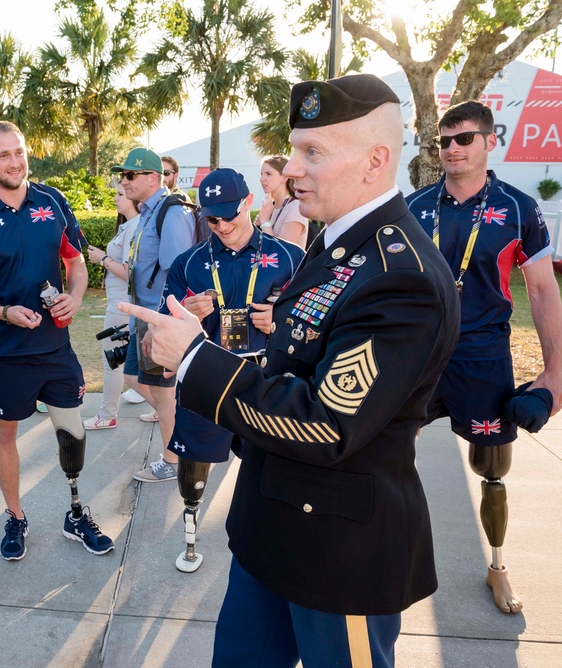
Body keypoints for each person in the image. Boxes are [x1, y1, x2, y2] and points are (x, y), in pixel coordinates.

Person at [121, 74, 460, 667]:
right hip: (271, 530)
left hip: (340, 554)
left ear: (376, 161)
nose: (293, 169)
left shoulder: (399, 273)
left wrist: (195, 356)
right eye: (294, 148)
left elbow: (325, 422)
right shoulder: (336, 248)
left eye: (313, 152)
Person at [406, 100, 561, 615]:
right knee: (383, 451)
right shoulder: (416, 205)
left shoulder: (518, 208)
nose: (451, 149)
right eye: (443, 141)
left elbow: (541, 291)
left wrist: (555, 373)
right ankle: (386, 554)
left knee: (492, 467)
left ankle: (496, 565)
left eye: (463, 139)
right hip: (419, 355)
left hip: (481, 355)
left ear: (489, 142)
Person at [0, 120, 114, 560]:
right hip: (4, 351)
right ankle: (16, 517)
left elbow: (76, 263)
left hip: (55, 347)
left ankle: (76, 513)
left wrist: (75, 298)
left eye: (19, 151)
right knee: (6, 435)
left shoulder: (52, 201)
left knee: (72, 433)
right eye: (3, 155)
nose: (14, 161)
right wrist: (2, 312)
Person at [160, 168, 303, 572]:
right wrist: (184, 313)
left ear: (248, 204)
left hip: (264, 378)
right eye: (212, 218)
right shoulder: (188, 263)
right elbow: (161, 327)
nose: (221, 225)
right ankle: (190, 531)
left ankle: (272, 537)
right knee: (194, 458)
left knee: (270, 466)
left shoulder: (290, 256)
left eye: (229, 215)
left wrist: (280, 320)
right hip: (207, 376)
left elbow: (315, 326)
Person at [110, 147, 197, 483]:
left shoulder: (170, 212)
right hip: (143, 317)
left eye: (130, 175)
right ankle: (181, 428)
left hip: (158, 319)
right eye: (123, 175)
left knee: (163, 393)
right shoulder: (148, 211)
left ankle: (173, 460)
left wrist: (159, 325)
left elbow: (177, 274)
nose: (124, 181)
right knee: (135, 377)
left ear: (151, 177)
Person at [83, 183, 140, 430]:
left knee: (113, 363)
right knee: (125, 363)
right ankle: (163, 409)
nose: (115, 198)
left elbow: (130, 273)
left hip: (122, 306)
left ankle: (107, 415)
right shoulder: (130, 226)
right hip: (120, 304)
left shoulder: (135, 227)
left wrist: (103, 259)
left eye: (120, 194)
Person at [255, 154, 311, 248]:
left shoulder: (296, 208)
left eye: (268, 174)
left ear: (285, 177)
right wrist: (257, 228)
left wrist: (265, 222)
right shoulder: (271, 209)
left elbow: (281, 252)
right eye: (261, 174)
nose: (261, 179)